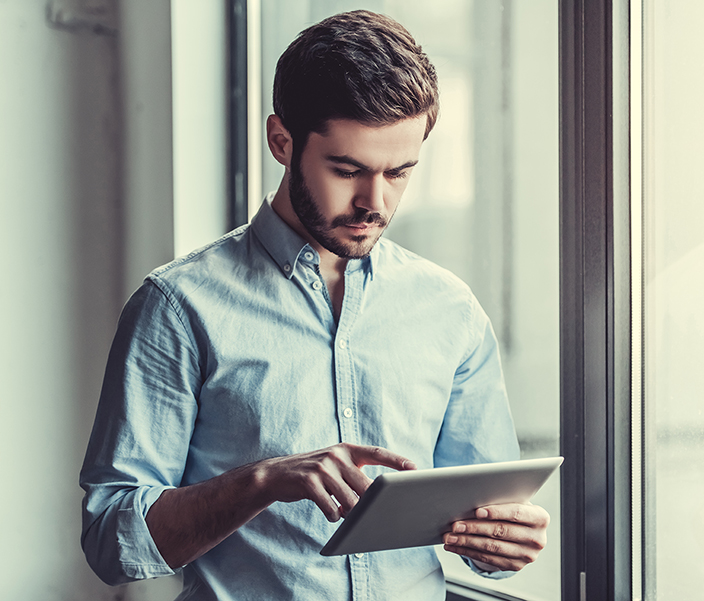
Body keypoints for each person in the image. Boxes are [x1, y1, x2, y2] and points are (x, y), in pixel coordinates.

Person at [80, 9, 549, 601]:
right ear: (282, 141)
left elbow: (487, 518)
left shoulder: (451, 310)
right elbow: (111, 541)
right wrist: (263, 482)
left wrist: (507, 542)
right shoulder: (177, 308)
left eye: (400, 173)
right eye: (347, 170)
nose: (373, 202)